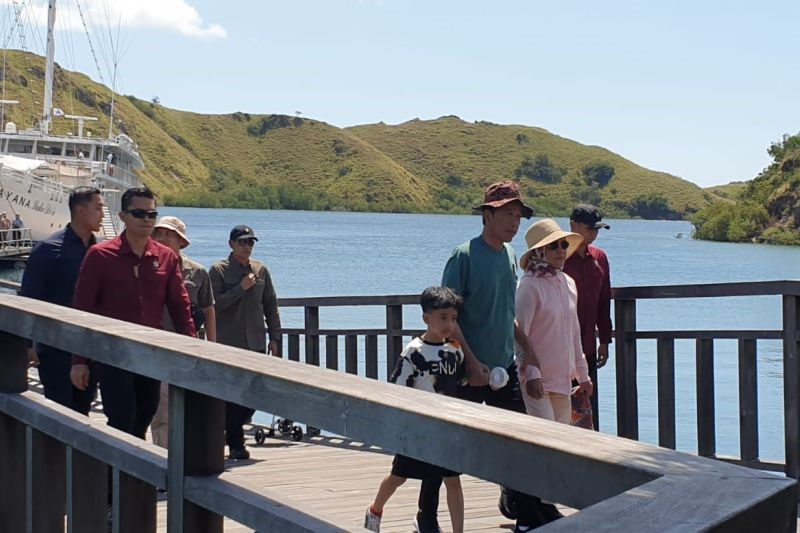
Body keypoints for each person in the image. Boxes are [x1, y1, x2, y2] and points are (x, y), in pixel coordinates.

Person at [418, 180, 560, 533]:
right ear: (487, 215)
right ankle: (427, 516)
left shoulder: (510, 256)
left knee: (519, 440)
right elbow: (445, 316)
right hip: (464, 370)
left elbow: (505, 311)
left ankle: (528, 515)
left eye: (519, 216)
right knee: (445, 446)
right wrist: (470, 361)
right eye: (508, 215)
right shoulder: (464, 256)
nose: (515, 223)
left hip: (502, 367)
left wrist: (526, 348)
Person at [70, 187, 195, 439]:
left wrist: (192, 355)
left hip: (150, 354)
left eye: (151, 214)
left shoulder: (167, 258)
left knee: (144, 417)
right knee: (121, 419)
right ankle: (114, 477)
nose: (147, 220)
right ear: (122, 216)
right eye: (139, 213)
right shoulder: (100, 255)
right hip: (113, 354)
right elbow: (81, 310)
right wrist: (79, 362)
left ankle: (132, 478)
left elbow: (181, 309)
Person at [364, 287, 465, 533]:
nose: (448, 324)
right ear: (426, 318)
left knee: (453, 480)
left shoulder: (455, 349)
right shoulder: (413, 352)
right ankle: (375, 508)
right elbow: (397, 389)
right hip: (418, 430)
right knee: (399, 475)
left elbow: (459, 382)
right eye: (442, 318)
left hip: (447, 429)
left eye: (453, 318)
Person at [19, 186, 104, 414]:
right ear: (79, 210)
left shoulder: (101, 251)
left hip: (91, 347)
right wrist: (27, 345)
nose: (103, 214)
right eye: (97, 207)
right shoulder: (47, 249)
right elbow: (28, 298)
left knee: (83, 410)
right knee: (59, 411)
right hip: (55, 348)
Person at [209, 224, 281, 460]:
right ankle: (236, 443)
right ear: (231, 244)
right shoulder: (218, 270)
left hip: (256, 343)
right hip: (229, 343)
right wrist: (240, 288)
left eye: (250, 242)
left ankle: (228, 430)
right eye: (242, 242)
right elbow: (215, 305)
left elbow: (271, 306)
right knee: (230, 394)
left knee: (255, 394)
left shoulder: (261, 270)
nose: (246, 246)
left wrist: (275, 338)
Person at [516, 218, 593, 423]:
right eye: (553, 246)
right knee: (546, 439)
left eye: (564, 245)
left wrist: (583, 375)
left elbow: (574, 333)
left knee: (563, 440)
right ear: (539, 251)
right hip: (537, 380)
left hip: (563, 380)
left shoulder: (568, 282)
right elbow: (519, 334)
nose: (561, 250)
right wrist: (532, 375)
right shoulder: (528, 286)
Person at [149, 215, 216, 448]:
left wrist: (212, 346)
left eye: (169, 234)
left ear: (181, 241)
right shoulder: (149, 267)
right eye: (159, 233)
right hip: (156, 347)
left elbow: (208, 309)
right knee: (161, 411)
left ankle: (185, 459)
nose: (163, 238)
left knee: (188, 406)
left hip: (188, 346)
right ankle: (164, 461)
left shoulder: (198, 272)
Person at [563, 204, 612, 430]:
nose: (594, 233)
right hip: (560, 349)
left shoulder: (600, 257)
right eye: (590, 228)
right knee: (561, 409)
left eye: (597, 229)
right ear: (574, 225)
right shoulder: (559, 255)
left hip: (588, 349)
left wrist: (605, 340)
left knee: (585, 408)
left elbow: (604, 301)